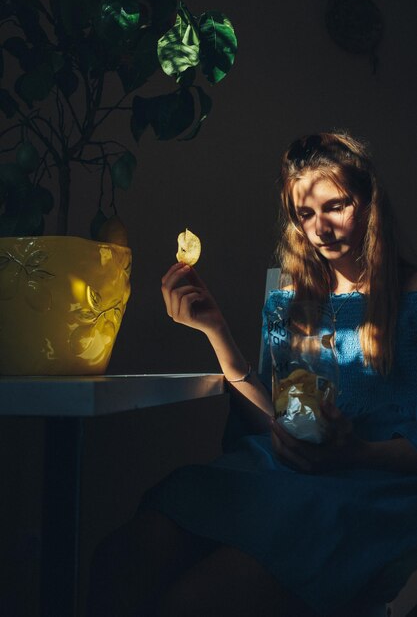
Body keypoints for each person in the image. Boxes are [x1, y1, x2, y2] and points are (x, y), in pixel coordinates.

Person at [88, 131, 417, 617]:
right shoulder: (290, 299)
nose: (320, 228)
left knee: (194, 602)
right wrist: (216, 330)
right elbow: (281, 421)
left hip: (366, 485)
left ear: (368, 201)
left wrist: (357, 451)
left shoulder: (411, 300)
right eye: (305, 213)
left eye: (336, 206)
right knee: (123, 556)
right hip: (281, 474)